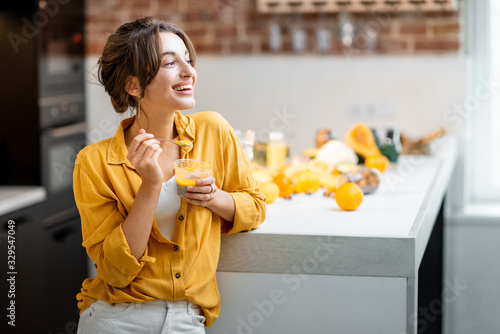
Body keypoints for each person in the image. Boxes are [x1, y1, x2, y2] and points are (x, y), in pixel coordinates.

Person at [73, 16, 266, 334]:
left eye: (188, 61)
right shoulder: (94, 163)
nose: (189, 72)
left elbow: (255, 207)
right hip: (114, 317)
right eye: (170, 64)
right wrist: (149, 187)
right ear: (134, 85)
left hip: (187, 319)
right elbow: (114, 271)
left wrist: (214, 198)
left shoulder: (213, 131)